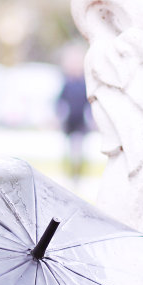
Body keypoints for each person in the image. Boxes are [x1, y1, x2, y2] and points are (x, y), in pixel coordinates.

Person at [56, 47, 91, 184]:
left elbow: (88, 103)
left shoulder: (84, 84)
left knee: (79, 150)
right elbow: (60, 102)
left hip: (81, 123)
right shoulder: (67, 83)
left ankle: (78, 175)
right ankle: (70, 174)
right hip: (69, 123)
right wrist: (59, 117)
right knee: (69, 151)